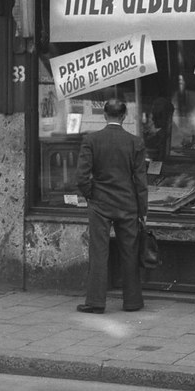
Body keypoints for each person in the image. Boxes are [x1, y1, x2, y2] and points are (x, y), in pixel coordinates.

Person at [75, 97, 148, 314]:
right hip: (127, 203)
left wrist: (92, 195)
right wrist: (142, 210)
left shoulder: (91, 140)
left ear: (104, 115)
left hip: (100, 203)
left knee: (99, 252)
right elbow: (140, 180)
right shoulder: (135, 142)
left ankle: (96, 302)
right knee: (130, 252)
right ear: (124, 116)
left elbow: (81, 177)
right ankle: (132, 301)